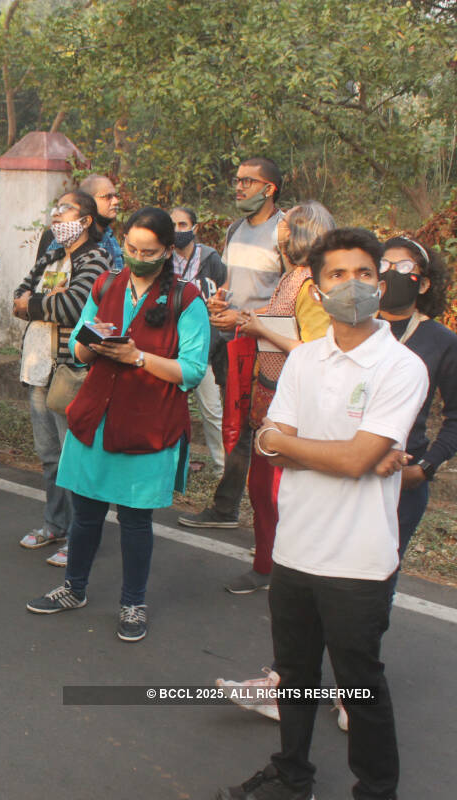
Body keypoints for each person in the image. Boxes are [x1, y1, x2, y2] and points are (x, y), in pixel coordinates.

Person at [217, 228, 427, 800]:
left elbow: (354, 458)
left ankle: (376, 789)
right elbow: (267, 439)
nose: (352, 285)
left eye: (364, 274)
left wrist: (306, 448)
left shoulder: (401, 367)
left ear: (380, 284)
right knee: (296, 676)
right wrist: (344, 455)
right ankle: (291, 774)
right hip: (295, 550)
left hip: (359, 560)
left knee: (360, 684)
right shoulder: (304, 360)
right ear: (315, 287)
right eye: (337, 275)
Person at [24, 207, 208, 643]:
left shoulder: (187, 299)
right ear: (122, 243)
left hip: (146, 425)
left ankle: (133, 602)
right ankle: (74, 588)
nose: (138, 256)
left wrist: (138, 357)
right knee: (86, 515)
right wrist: (93, 346)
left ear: (166, 251)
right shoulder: (108, 283)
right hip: (96, 417)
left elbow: (193, 370)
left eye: (149, 251)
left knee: (135, 522)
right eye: (131, 247)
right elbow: (79, 346)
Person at [223, 202, 335, 594]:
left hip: (292, 404)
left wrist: (260, 329)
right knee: (262, 489)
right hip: (268, 396)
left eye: (284, 225)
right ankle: (269, 563)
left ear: (299, 234)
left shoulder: (310, 285)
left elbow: (316, 348)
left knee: (277, 492)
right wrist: (241, 321)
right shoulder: (291, 278)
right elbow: (277, 324)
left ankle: (279, 569)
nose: (277, 231)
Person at [180, 156, 285, 530]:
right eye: (237, 180)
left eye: (247, 181)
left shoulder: (285, 231)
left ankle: (270, 521)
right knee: (235, 428)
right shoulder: (235, 229)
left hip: (270, 351)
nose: (238, 187)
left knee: (265, 432)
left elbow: (293, 295)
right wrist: (220, 300)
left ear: (269, 189)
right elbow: (230, 282)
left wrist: (245, 319)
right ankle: (227, 510)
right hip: (233, 344)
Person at [12, 191, 111, 566]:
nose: (57, 216)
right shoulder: (52, 256)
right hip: (40, 366)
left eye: (65, 209)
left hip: (71, 369)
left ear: (85, 220)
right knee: (50, 455)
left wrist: (37, 303)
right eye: (54, 209)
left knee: (75, 457)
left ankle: (81, 535)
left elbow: (73, 306)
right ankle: (54, 524)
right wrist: (41, 300)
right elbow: (17, 297)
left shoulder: (96, 258)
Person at [377, 237, 457, 561]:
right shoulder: (354, 328)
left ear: (424, 284)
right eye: (384, 266)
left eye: (404, 267)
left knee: (379, 575)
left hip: (402, 479)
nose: (392, 274)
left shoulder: (442, 341)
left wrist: (425, 468)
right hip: (348, 471)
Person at [169, 206, 228, 471]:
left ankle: (221, 468)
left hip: (205, 346)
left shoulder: (211, 259)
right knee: (171, 409)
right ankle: (174, 464)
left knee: (212, 410)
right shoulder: (165, 259)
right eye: (173, 225)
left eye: (183, 224)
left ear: (194, 227)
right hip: (172, 346)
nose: (178, 230)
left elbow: (223, 292)